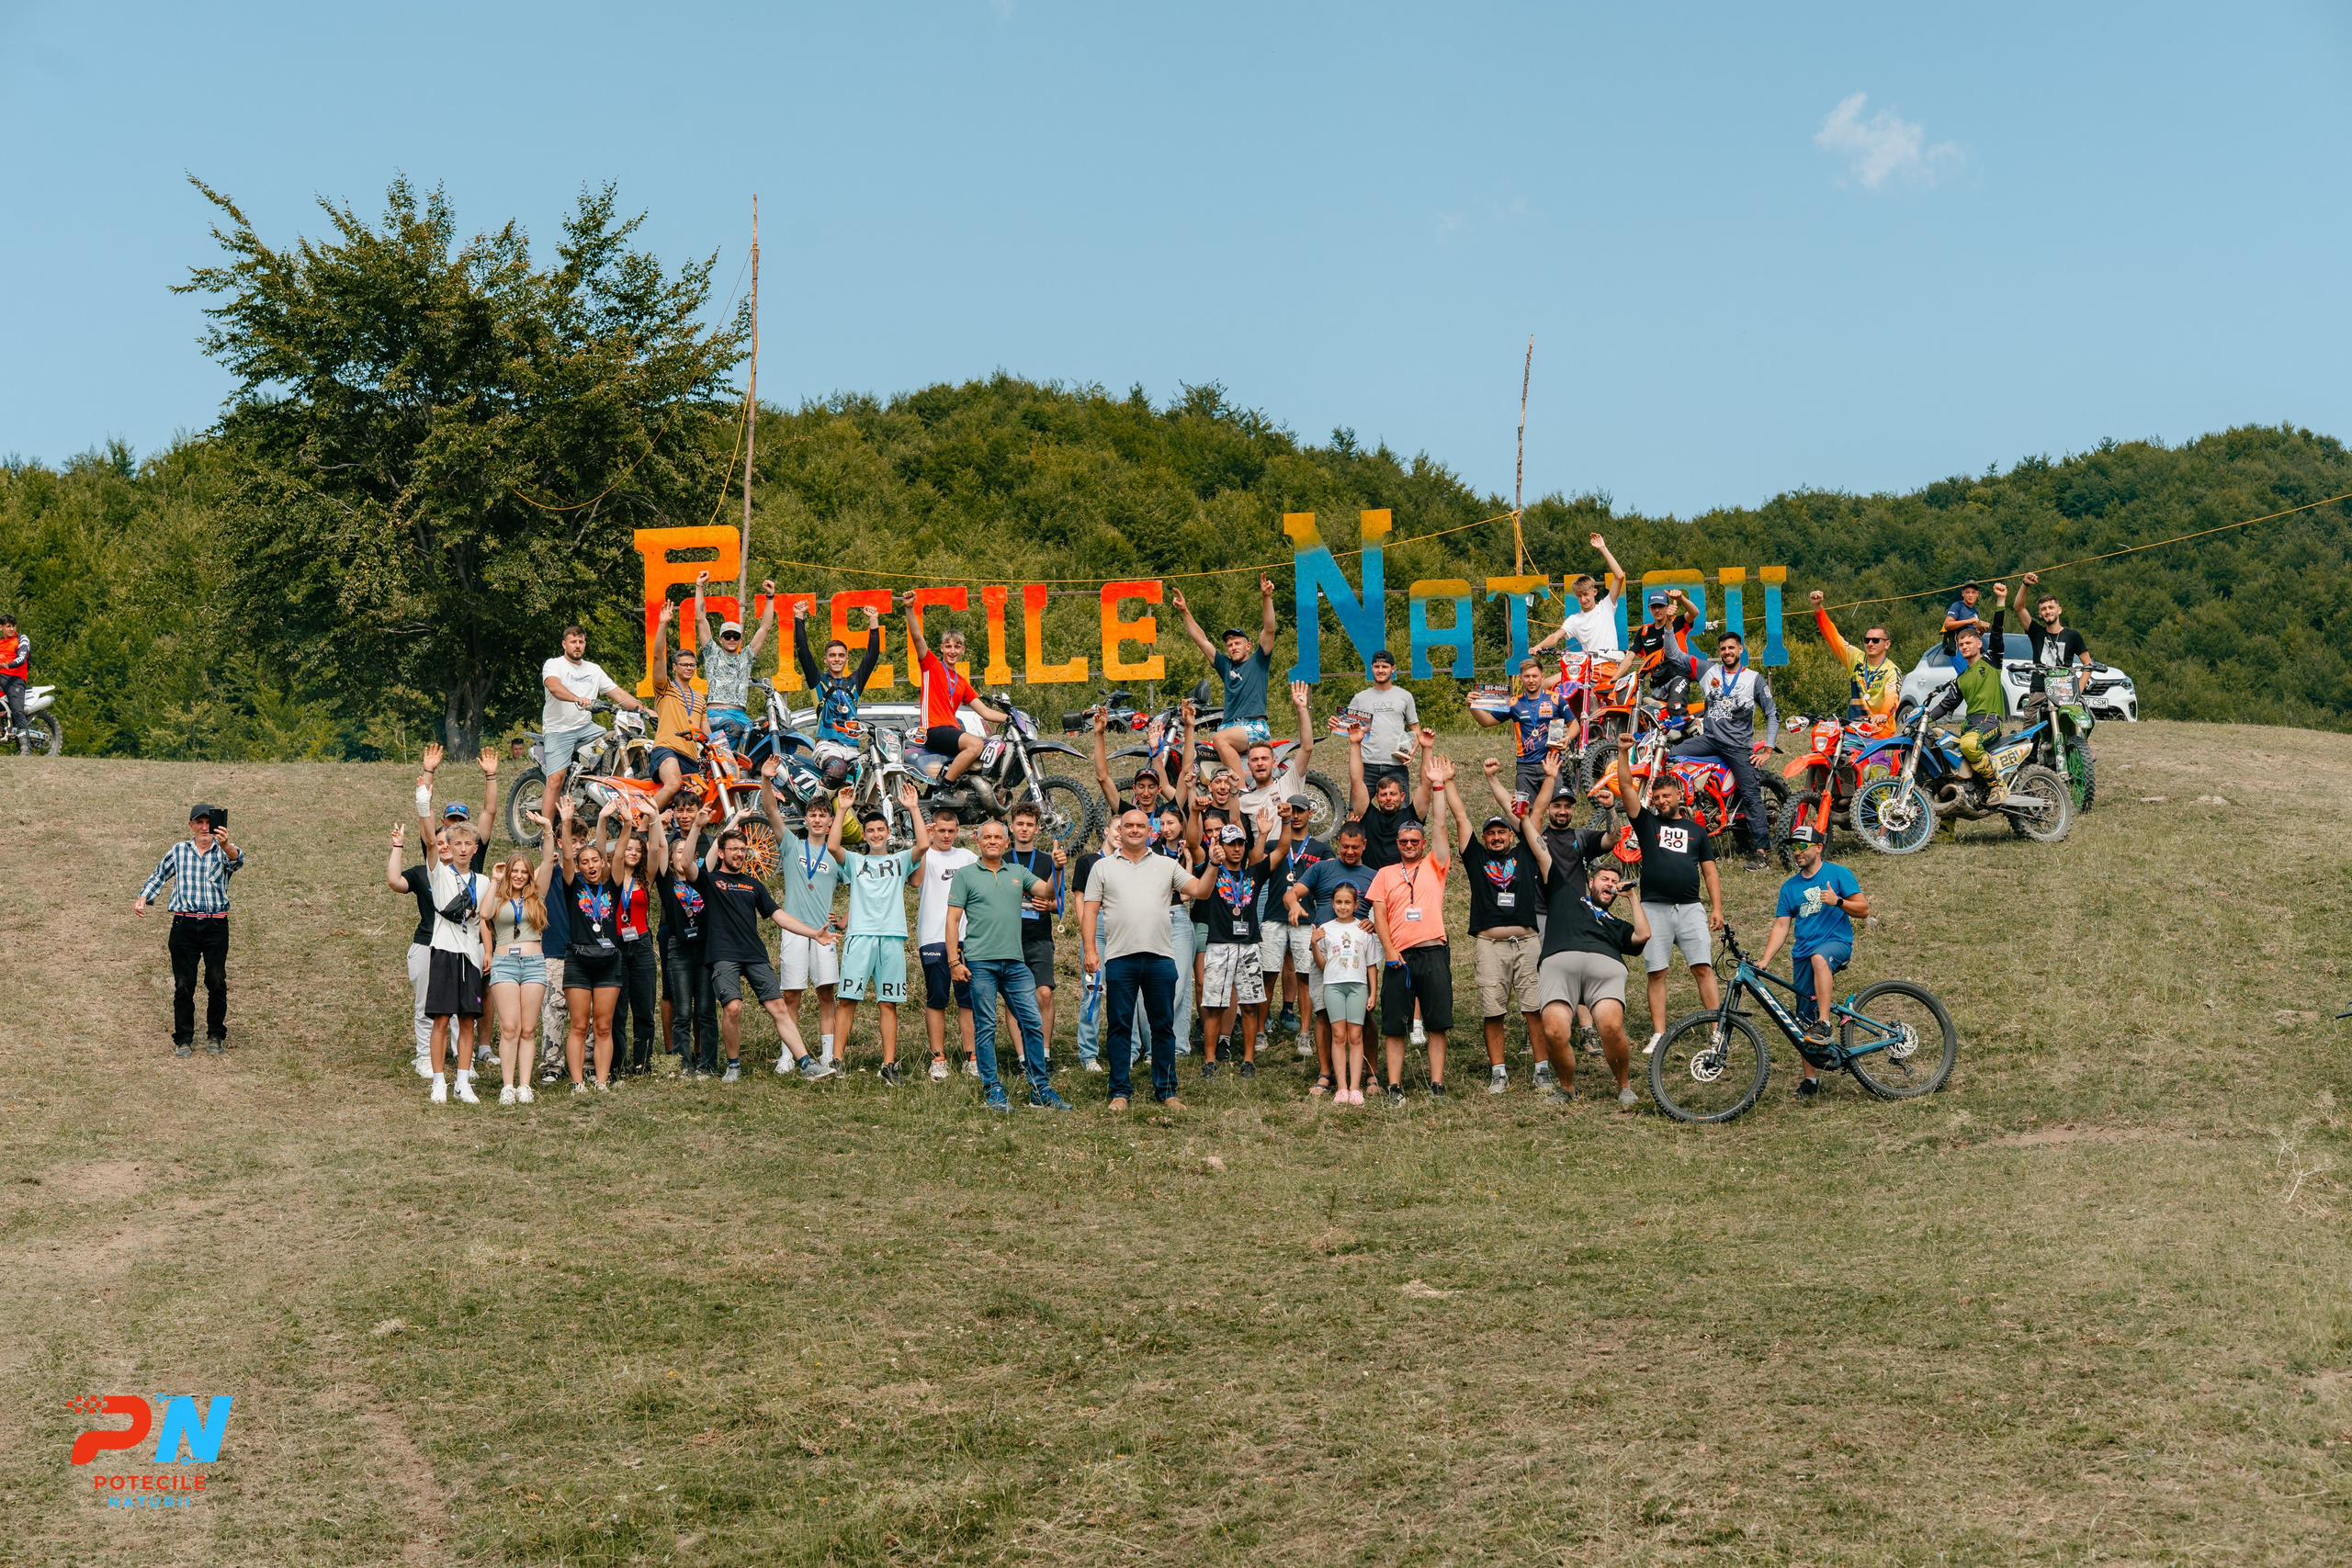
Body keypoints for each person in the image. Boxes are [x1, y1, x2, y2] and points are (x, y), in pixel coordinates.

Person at [1527, 752, 1651, 1108]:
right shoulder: (1568, 895)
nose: (1610, 884)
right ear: (1589, 879)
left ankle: (1624, 1085)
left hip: (1603, 962)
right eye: (1604, 879)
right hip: (1558, 949)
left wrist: (1631, 899)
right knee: (1553, 1029)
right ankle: (1567, 1088)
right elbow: (1533, 836)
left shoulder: (1615, 919)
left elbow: (1642, 938)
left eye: (1615, 880)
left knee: (1610, 1026)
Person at [702, 787, 841, 1083]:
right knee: (734, 1007)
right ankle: (734, 1066)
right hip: (723, 953)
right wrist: (727, 824)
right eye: (733, 849)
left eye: (743, 849)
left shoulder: (754, 884)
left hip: (754, 954)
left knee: (779, 1005)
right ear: (723, 852)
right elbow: (695, 860)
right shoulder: (709, 880)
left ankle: (806, 1063)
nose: (739, 853)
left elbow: (779, 916)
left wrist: (815, 934)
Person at [1610, 729, 1724, 1064]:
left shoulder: (1697, 831)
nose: (1661, 801)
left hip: (1690, 908)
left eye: (1666, 796)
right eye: (1656, 797)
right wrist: (1622, 753)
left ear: (1679, 795)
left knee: (1702, 968)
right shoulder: (1646, 823)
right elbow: (1628, 788)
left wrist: (1716, 907)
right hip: (1653, 909)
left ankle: (1718, 1029)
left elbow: (1710, 872)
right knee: (1656, 971)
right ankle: (1659, 1032)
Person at [944, 818, 1066, 1111]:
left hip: (1015, 962)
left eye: (998, 837)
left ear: (1006, 843)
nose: (993, 841)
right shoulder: (965, 875)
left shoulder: (1018, 872)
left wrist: (1058, 869)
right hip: (980, 962)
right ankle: (993, 1089)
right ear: (977, 841)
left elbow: (1048, 893)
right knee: (985, 1027)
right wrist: (953, 961)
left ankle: (1040, 1090)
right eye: (987, 837)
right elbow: (952, 919)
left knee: (1033, 1023)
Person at [1081, 807, 1196, 1111]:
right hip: (1120, 958)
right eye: (1127, 825)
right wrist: (1091, 950)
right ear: (1119, 830)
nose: (1133, 830)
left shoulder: (1166, 865)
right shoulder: (1103, 868)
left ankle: (1167, 1091)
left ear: (1150, 831)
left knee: (1163, 1026)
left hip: (1160, 958)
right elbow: (1090, 911)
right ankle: (1120, 1091)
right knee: (1119, 1026)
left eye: (1140, 826)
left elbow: (1199, 889)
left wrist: (1213, 865)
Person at [1366, 750, 1457, 1102]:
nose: (1407, 846)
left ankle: (1437, 1084)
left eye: (1413, 842)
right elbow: (1380, 916)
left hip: (1433, 949)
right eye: (1403, 842)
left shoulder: (1436, 864)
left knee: (1437, 1023)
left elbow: (1438, 825)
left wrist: (1437, 787)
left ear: (1422, 845)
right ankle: (1394, 1085)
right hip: (1399, 957)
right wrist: (1390, 952)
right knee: (1394, 1027)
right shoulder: (1385, 874)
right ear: (1397, 844)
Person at [1763, 821, 1869, 1100]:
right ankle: (1810, 1081)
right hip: (1802, 955)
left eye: (1801, 846)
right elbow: (1781, 927)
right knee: (1800, 1023)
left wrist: (1839, 902)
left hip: (1835, 944)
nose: (1796, 853)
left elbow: (1864, 909)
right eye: (1793, 848)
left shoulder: (1838, 874)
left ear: (1819, 848)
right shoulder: (1789, 887)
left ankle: (1825, 1022)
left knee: (1819, 958)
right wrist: (1765, 961)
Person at [1455, 773, 1544, 1096]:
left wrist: (1494, 780)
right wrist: (1448, 782)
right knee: (1493, 1010)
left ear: (1510, 834)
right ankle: (1499, 1072)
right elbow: (1460, 816)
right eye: (1490, 833)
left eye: (1501, 832)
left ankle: (1542, 1069)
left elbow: (1533, 816)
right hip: (1490, 945)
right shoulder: (1476, 858)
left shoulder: (1525, 854)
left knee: (1534, 1008)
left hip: (1527, 944)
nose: (1495, 837)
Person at [831, 782, 926, 1083]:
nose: (875, 834)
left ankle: (889, 1065)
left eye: (880, 830)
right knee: (848, 999)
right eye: (870, 830)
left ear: (888, 833)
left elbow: (923, 845)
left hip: (892, 937)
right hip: (860, 937)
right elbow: (833, 847)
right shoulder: (856, 862)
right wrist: (843, 809)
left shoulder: (899, 861)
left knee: (888, 1003)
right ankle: (836, 1060)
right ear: (865, 834)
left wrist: (913, 808)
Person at [134, 803, 245, 1058]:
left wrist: (227, 844)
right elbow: (159, 875)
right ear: (191, 826)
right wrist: (143, 897)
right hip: (183, 925)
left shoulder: (222, 851)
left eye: (209, 823)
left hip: (215, 924)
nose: (205, 828)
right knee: (184, 984)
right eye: (200, 823)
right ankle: (183, 1038)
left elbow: (238, 861)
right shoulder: (179, 851)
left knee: (216, 981)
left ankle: (216, 1035)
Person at [1668, 629, 1780, 868]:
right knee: (1672, 757)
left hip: (1738, 747)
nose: (1727, 652)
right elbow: (1673, 654)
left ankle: (1761, 853)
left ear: (1741, 650)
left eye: (1731, 648)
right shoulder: (1709, 671)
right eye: (1723, 649)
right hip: (1710, 739)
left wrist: (1768, 748)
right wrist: (1668, 624)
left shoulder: (1753, 678)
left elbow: (1772, 713)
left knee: (1751, 795)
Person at [1185, 812, 1284, 1077]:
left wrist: (1280, 824)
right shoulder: (1212, 870)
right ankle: (1209, 1061)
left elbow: (1283, 849)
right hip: (1218, 944)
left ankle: (1249, 1060)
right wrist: (1195, 813)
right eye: (1232, 844)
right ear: (1222, 846)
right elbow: (1194, 844)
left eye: (1241, 843)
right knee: (1214, 1006)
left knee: (1250, 1006)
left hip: (1249, 946)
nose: (1237, 849)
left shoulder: (1254, 872)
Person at [411, 790, 491, 1103]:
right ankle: (438, 1082)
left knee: (468, 1019)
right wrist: (422, 801)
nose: (461, 848)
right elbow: (430, 841)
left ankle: (463, 1082)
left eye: (467, 844)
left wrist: (487, 953)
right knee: (441, 1019)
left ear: (474, 848)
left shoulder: (483, 882)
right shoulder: (439, 873)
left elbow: (483, 921)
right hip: (442, 951)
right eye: (455, 843)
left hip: (470, 955)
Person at [1283, 818, 1377, 1086]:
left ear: (1364, 845)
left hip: (1358, 955)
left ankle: (1370, 1074)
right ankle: (1326, 1074)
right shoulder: (1322, 868)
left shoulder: (1373, 875)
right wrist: (1293, 905)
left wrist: (1373, 922)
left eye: (1355, 847)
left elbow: (1385, 911)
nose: (1350, 851)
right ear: (1338, 843)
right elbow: (1292, 894)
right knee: (1322, 1011)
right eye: (1345, 846)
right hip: (1324, 950)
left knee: (1366, 1015)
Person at [552, 796, 630, 1091]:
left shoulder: (613, 883)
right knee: (579, 1025)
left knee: (603, 1026)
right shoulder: (573, 885)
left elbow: (620, 855)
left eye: (594, 860)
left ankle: (600, 1081)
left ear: (602, 862)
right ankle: (577, 1083)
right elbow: (567, 860)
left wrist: (627, 824)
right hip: (579, 961)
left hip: (609, 961)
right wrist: (568, 819)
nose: (589, 865)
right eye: (584, 862)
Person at [1169, 575, 1280, 780]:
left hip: (1253, 726)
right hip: (1229, 726)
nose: (1232, 647)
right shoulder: (1225, 665)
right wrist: (1185, 611)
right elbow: (1201, 640)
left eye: (1237, 643)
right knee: (1200, 754)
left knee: (1219, 738)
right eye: (1229, 645)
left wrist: (1266, 598)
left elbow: (1269, 629)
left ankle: (1242, 791)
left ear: (1248, 645)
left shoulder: (1259, 660)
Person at [538, 625, 647, 832]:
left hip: (587, 727)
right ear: (564, 644)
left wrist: (645, 710)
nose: (577, 645)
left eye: (581, 642)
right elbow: (553, 686)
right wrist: (577, 699)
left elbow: (619, 694)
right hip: (558, 730)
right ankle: (547, 832)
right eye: (573, 642)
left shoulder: (593, 670)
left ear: (585, 644)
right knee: (556, 778)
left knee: (616, 741)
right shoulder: (554, 665)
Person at [770, 781, 846, 1069]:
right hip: (793, 929)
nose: (817, 819)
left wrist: (842, 920)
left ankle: (828, 1054)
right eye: (812, 815)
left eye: (822, 816)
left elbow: (862, 887)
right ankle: (789, 1055)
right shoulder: (791, 843)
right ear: (806, 819)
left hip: (824, 934)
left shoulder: (836, 855)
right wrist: (766, 780)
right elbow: (770, 811)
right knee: (791, 993)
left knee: (826, 992)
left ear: (829, 822)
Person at [901, 592, 1008, 786]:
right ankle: (945, 787)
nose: (952, 651)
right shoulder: (931, 666)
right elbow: (917, 637)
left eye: (957, 647)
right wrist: (909, 607)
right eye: (948, 646)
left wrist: (1013, 718)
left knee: (989, 750)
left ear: (963, 650)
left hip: (952, 730)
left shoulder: (961, 681)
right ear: (941, 648)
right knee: (975, 744)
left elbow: (985, 711)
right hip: (933, 729)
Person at [1257, 792, 1329, 1050]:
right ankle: (1260, 1031)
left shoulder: (1321, 849)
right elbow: (1255, 864)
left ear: (1311, 813)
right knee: (1267, 974)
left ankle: (1304, 1032)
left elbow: (1330, 881)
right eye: (1292, 811)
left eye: (1300, 811)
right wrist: (1263, 834)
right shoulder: (1275, 844)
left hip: (1306, 917)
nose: (1296, 816)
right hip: (1274, 914)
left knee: (1305, 975)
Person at [650, 803, 718, 1077]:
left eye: (685, 852)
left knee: (705, 1009)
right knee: (682, 1012)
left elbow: (712, 852)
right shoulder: (666, 880)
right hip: (678, 949)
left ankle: (708, 1064)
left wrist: (733, 818)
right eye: (677, 852)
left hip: (704, 949)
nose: (681, 856)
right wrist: (655, 817)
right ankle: (682, 1065)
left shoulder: (701, 878)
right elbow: (659, 847)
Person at [480, 850, 552, 1103]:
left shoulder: (536, 896)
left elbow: (547, 862)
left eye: (524, 871)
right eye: (515, 870)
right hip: (505, 963)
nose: (519, 876)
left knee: (529, 1028)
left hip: (533, 963)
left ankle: (525, 1085)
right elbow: (485, 914)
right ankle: (508, 1086)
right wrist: (494, 879)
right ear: (508, 872)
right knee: (510, 1027)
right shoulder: (498, 896)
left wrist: (547, 831)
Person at [914, 804, 979, 1078]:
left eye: (951, 831)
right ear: (932, 830)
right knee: (937, 999)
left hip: (966, 938)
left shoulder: (966, 856)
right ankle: (937, 1058)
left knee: (968, 1000)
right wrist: (925, 843)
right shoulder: (924, 854)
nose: (946, 836)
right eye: (941, 831)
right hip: (932, 938)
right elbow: (915, 881)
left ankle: (971, 1057)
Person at [792, 598, 884, 791]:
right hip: (827, 747)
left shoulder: (854, 683)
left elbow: (872, 655)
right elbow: (803, 652)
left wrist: (874, 622)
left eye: (841, 655)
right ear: (825, 659)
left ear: (847, 658)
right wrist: (798, 618)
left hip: (852, 749)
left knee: (870, 778)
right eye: (832, 655)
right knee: (837, 769)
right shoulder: (818, 682)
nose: (837, 659)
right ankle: (816, 807)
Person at [1004, 803, 1067, 1069]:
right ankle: (1021, 1059)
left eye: (1030, 824)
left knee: (1044, 994)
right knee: (1011, 999)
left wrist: (1051, 906)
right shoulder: (1003, 859)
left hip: (1040, 936)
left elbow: (1061, 902)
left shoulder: (1046, 860)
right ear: (1012, 827)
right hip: (1008, 939)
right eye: (1020, 823)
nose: (1024, 828)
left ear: (1038, 828)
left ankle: (1044, 1054)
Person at [694, 570, 778, 749]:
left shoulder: (746, 657)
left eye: (735, 636)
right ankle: (717, 763)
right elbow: (701, 619)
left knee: (759, 734)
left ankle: (752, 771)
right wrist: (699, 586)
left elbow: (765, 628)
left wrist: (770, 597)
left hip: (741, 715)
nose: (731, 639)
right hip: (717, 712)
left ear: (740, 639)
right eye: (727, 635)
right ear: (720, 638)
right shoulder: (712, 653)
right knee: (733, 729)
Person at [1312, 884, 1379, 1106]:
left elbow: (1371, 964)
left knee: (1355, 1036)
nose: (1343, 906)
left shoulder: (1364, 929)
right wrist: (1314, 944)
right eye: (1339, 902)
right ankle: (1341, 1088)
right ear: (1333, 904)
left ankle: (1355, 1088)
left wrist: (1373, 992)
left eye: (1347, 902)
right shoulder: (1325, 929)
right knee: (1338, 1036)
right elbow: (1322, 965)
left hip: (1358, 987)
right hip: (1333, 986)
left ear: (1356, 905)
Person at [1473, 655, 1561, 815]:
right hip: (1525, 767)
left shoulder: (1556, 699)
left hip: (1553, 763)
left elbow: (1574, 724)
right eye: (1527, 676)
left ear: (1542, 676)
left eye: (1535, 676)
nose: (1531, 680)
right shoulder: (1513, 703)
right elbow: (1486, 721)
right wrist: (1472, 706)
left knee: (1559, 811)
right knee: (1526, 813)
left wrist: (1568, 738)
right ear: (1520, 678)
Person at [1341, 718, 1430, 872]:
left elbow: (1426, 785)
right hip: (1372, 881)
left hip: (1402, 881)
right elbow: (1357, 782)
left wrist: (1427, 748)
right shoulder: (1367, 814)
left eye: (1393, 794)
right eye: (1383, 795)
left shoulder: (1412, 816)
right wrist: (1355, 745)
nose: (1388, 798)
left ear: (1402, 796)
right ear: (1377, 797)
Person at [1807, 590, 1902, 732]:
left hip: (1879, 733)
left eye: (1875, 640)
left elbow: (1892, 696)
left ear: (1887, 644)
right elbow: (1833, 637)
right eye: (1867, 640)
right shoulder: (1855, 658)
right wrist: (1818, 608)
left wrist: (1883, 714)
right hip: (1853, 730)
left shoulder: (1892, 670)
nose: (1870, 643)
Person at [606, 825, 660, 1076]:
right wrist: (627, 826)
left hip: (641, 945)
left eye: (638, 850)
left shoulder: (644, 879)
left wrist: (654, 819)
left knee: (644, 1008)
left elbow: (658, 851)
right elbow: (616, 856)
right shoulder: (614, 877)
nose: (632, 853)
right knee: (618, 1012)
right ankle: (617, 1064)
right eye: (628, 847)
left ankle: (642, 1063)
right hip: (617, 945)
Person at [644, 600, 707, 815]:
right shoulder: (665, 688)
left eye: (692, 665)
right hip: (666, 750)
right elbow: (657, 656)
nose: (689, 668)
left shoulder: (700, 698)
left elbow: (707, 733)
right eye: (684, 664)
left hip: (691, 758)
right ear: (675, 667)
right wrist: (663, 625)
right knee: (672, 784)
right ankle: (642, 828)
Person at [1231, 680, 1317, 825]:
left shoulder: (1289, 782)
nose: (1260, 763)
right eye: (1255, 760)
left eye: (1264, 758)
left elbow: (1307, 747)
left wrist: (1301, 709)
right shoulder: (1244, 802)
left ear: (1273, 762)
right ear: (1248, 766)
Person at [1532, 532, 1628, 660]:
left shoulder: (1606, 606)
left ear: (1594, 593)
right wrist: (1539, 646)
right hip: (1587, 669)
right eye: (1579, 596)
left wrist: (1602, 548)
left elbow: (1619, 576)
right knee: (1547, 682)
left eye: (1586, 595)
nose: (1583, 600)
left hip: (1608, 667)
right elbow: (1555, 637)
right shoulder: (1574, 620)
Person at [1345, 649, 1419, 803]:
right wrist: (1334, 723)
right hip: (1365, 766)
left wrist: (1412, 751)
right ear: (1371, 668)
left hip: (1396, 766)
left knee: (1401, 815)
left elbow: (1415, 729)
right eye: (1376, 667)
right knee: (1357, 815)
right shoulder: (1360, 698)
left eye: (1384, 667)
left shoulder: (1405, 696)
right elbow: (1346, 727)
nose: (1380, 671)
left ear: (1393, 669)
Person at [2016, 572, 2093, 685]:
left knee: (2080, 703)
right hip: (2039, 690)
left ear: (2059, 610)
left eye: (2051, 607)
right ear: (2040, 614)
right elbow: (2018, 607)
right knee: (2032, 703)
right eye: (2043, 609)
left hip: (2065, 690)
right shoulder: (2036, 632)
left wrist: (2078, 690)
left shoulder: (2073, 635)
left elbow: (2088, 665)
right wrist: (2025, 584)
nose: (2047, 611)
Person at [1939, 581, 1989, 656]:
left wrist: (1982, 631)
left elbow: (1976, 634)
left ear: (1977, 594)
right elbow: (1947, 625)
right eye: (1967, 592)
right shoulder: (1957, 606)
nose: (1970, 595)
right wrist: (1968, 621)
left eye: (1973, 593)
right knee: (1965, 668)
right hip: (1959, 648)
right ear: (1963, 593)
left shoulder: (1975, 611)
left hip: (1971, 648)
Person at [0, 611, 28, 738]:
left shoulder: (21, 639)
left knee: (17, 709)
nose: (12, 629)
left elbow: (22, 658)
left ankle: (25, 746)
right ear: (1, 627)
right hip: (1, 677)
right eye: (8, 626)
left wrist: (7, 665)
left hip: (15, 679)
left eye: (13, 626)